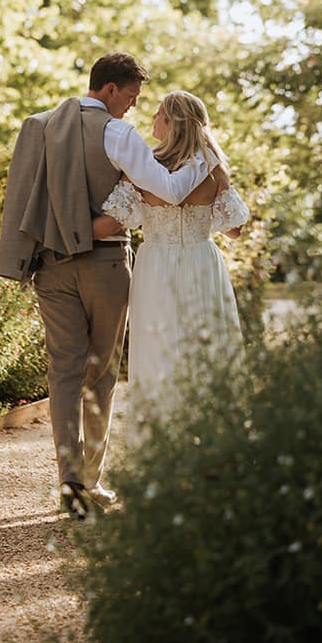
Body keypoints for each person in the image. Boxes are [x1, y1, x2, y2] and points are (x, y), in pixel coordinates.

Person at [0, 52, 209, 519]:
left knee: (63, 374)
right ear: (110, 89)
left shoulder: (43, 126)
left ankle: (69, 482)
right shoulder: (117, 133)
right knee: (101, 374)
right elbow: (169, 191)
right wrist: (205, 161)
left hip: (51, 266)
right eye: (131, 97)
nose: (133, 107)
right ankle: (92, 479)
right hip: (106, 266)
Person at [93, 89, 249, 438]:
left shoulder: (140, 168)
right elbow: (235, 229)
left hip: (156, 266)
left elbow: (115, 220)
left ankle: (160, 441)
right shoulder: (213, 168)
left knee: (158, 349)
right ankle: (212, 437)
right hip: (200, 261)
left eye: (158, 114)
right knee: (204, 346)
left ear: (172, 122)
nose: (152, 119)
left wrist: (68, 234)